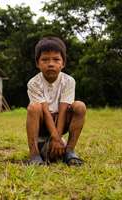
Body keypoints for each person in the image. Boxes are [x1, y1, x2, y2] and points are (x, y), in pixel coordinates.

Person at [26, 36, 86, 165]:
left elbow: (64, 110)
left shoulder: (68, 81)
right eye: (45, 60)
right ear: (38, 63)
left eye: (56, 59)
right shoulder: (34, 83)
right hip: (42, 122)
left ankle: (69, 151)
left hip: (61, 121)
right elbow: (45, 112)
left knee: (79, 106)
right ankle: (34, 154)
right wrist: (55, 138)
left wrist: (57, 139)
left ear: (63, 63)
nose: (51, 64)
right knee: (34, 107)